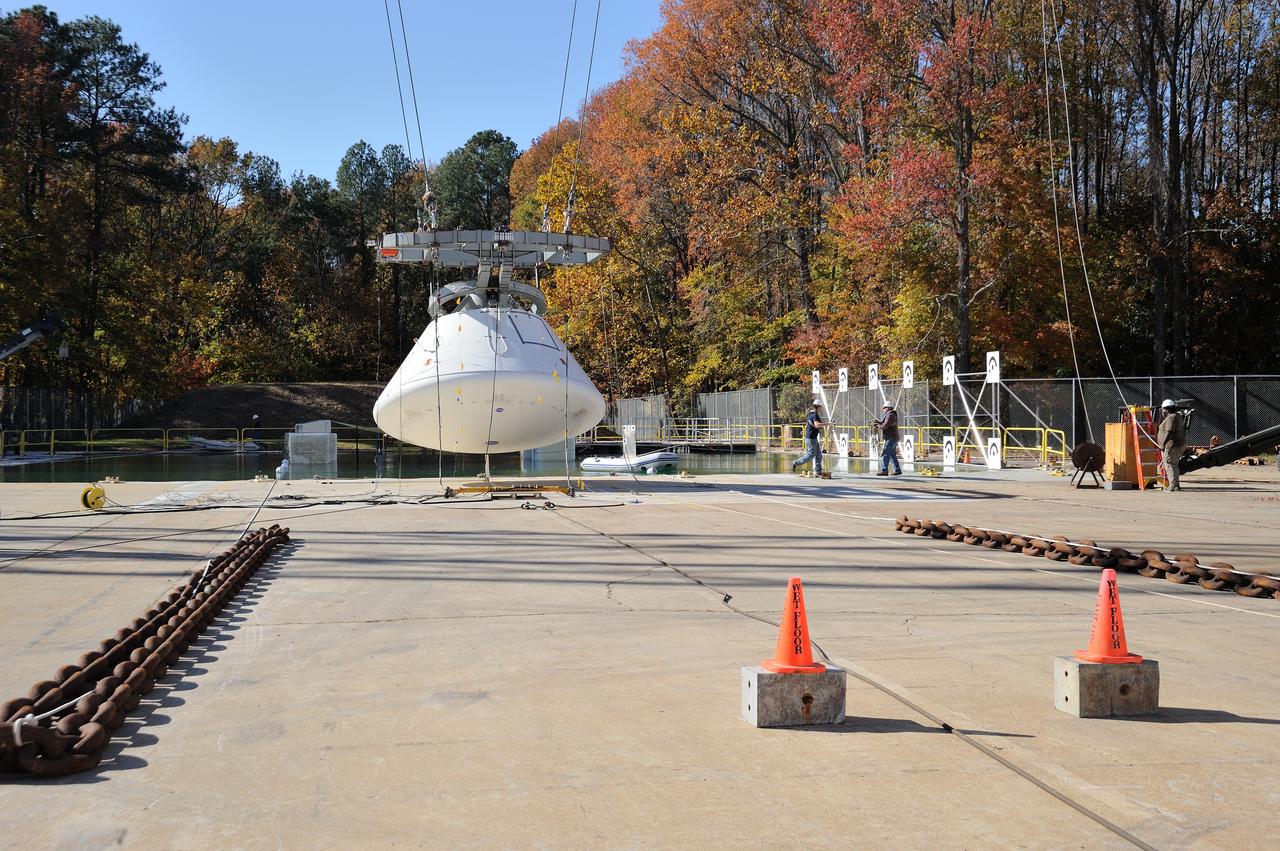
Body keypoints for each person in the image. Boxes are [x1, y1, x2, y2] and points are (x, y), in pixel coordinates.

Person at [1156, 399, 1185, 492]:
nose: (1162, 411)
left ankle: (1172, 485)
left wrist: (1163, 444)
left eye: (1163, 409)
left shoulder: (1171, 417)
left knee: (1169, 465)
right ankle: (1176, 485)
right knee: (1174, 465)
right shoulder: (1177, 416)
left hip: (1172, 445)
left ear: (1167, 409)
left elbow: (1169, 432)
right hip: (1178, 444)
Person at [792, 400, 827, 475]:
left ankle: (818, 471)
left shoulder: (811, 414)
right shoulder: (814, 415)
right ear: (818, 407)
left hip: (812, 438)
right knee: (811, 455)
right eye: (821, 407)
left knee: (818, 455)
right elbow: (817, 425)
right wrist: (828, 424)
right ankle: (796, 462)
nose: (822, 408)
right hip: (811, 438)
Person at [873, 402, 902, 476]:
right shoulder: (891, 415)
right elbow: (885, 424)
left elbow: (885, 426)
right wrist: (878, 422)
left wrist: (878, 425)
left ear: (888, 408)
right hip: (894, 438)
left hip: (891, 438)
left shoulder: (890, 415)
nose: (883, 409)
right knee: (892, 455)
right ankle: (897, 470)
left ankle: (884, 470)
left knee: (885, 454)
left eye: (884, 408)